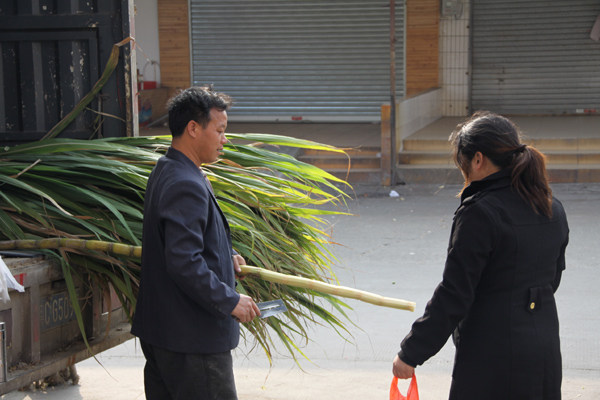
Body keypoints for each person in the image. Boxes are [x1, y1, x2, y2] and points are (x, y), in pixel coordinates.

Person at [392, 111, 569, 400]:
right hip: (544, 349)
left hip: (492, 358)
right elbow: (552, 278)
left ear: (477, 159)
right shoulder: (552, 206)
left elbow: (454, 294)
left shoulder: (480, 213)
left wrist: (410, 353)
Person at [131, 86, 261, 400]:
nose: (224, 139)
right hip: (191, 341)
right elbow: (183, 261)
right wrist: (230, 300)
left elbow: (182, 242)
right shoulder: (185, 183)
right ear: (193, 128)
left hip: (166, 334)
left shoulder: (168, 169)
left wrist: (225, 253)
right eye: (220, 130)